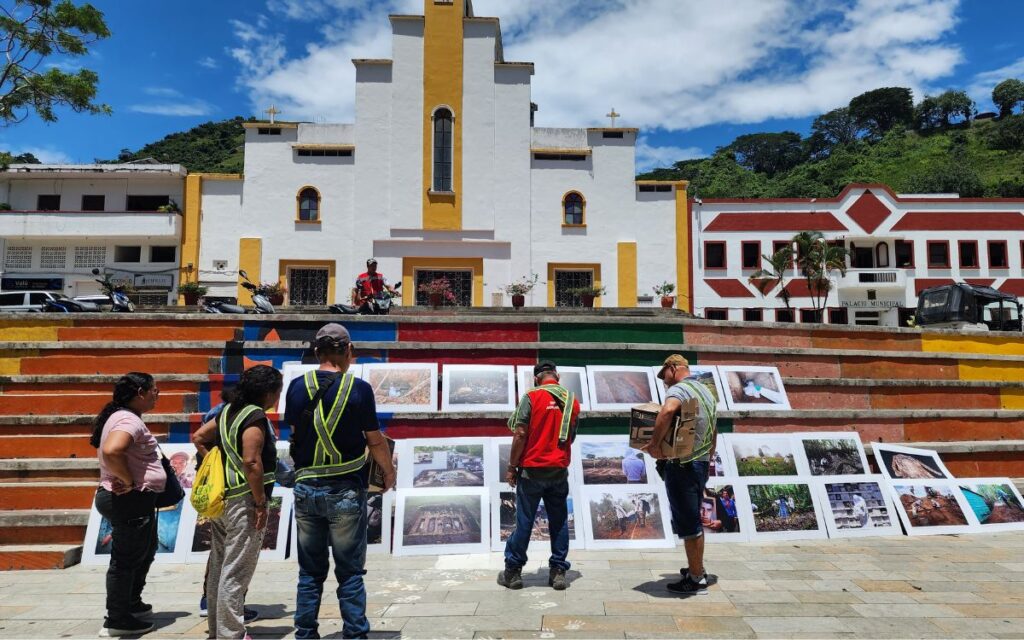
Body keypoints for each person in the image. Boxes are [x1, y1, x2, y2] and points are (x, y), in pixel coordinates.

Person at [284, 323, 396, 639]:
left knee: (309, 572)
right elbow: (374, 438)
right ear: (348, 350)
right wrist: (388, 471)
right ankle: (355, 633)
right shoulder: (359, 389)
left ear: (316, 351)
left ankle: (305, 632)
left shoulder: (297, 386)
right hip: (345, 488)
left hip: (307, 488)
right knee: (350, 572)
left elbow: (294, 434)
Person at [192, 365, 283, 639]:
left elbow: (198, 437)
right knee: (236, 571)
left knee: (220, 567)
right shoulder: (254, 417)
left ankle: (217, 631)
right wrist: (260, 503)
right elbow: (251, 461)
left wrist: (217, 463)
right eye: (277, 391)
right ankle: (231, 633)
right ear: (268, 393)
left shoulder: (227, 412)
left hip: (223, 500)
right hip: (243, 501)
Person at [498, 361, 580, 592]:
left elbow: (520, 433)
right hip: (558, 471)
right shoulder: (571, 400)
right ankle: (558, 571)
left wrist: (512, 467)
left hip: (531, 471)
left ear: (536, 379)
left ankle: (513, 571)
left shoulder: (531, 397)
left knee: (524, 521)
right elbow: (571, 436)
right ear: (557, 377)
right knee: (559, 521)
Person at [91, 373, 162, 637]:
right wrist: (128, 481)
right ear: (140, 392)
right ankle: (118, 619)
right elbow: (112, 450)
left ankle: (131, 602)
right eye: (154, 390)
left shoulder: (124, 416)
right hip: (128, 500)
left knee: (145, 549)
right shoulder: (127, 420)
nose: (157, 395)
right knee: (126, 559)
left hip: (134, 500)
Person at [643, 354, 717, 596]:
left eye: (664, 375)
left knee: (688, 522)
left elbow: (667, 412)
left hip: (683, 465)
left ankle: (696, 579)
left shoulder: (679, 389)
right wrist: (708, 458)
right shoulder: (705, 391)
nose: (664, 381)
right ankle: (696, 569)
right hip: (700, 463)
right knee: (692, 519)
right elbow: (714, 429)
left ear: (673, 368)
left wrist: (654, 444)